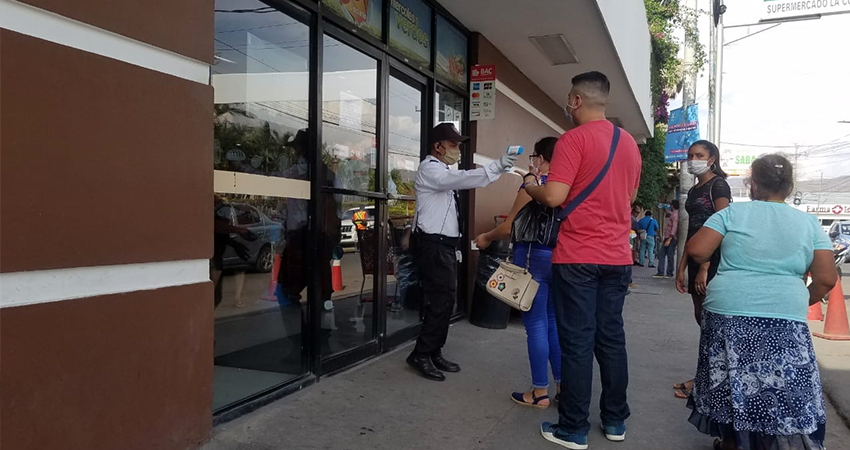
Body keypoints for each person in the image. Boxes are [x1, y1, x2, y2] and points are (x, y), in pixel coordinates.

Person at [684, 154, 836, 450]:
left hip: (729, 308)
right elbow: (827, 278)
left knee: (729, 379)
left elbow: (698, 250)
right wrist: (797, 298)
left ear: (753, 185)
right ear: (789, 187)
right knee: (782, 384)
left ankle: (731, 441)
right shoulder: (809, 223)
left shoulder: (732, 214)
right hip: (785, 312)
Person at [524, 71, 641, 448]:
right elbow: (629, 195)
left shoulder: (573, 139)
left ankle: (573, 428)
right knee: (611, 339)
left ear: (576, 100)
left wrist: (530, 186)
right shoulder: (629, 144)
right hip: (618, 256)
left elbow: (556, 197)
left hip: (577, 256)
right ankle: (615, 421)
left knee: (576, 341)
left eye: (567, 100)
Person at [406, 123, 517, 381]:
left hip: (443, 246)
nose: (457, 150)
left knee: (445, 300)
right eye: (454, 145)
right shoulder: (430, 169)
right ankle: (421, 354)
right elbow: (463, 179)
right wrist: (497, 165)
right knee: (440, 300)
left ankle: (433, 350)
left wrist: (496, 169)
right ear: (438, 146)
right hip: (433, 245)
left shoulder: (442, 170)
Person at [474, 137, 561, 409]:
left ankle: (539, 391)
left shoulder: (532, 187)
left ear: (543, 159)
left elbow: (510, 227)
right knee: (553, 324)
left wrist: (486, 237)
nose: (532, 161)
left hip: (532, 258)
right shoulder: (564, 188)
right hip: (559, 259)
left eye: (535, 156)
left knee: (535, 325)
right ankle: (563, 386)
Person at [673, 140, 731, 399]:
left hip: (712, 262)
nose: (692, 159)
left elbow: (722, 224)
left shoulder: (718, 185)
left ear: (712, 159)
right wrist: (682, 266)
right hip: (696, 260)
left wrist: (705, 266)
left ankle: (706, 383)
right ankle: (704, 379)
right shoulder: (696, 189)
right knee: (702, 322)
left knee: (711, 324)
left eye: (699, 155)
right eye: (690, 155)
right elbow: (693, 230)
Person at [654, 200, 679, 278]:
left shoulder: (675, 215)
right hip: (668, 237)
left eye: (670, 205)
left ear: (673, 206)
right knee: (662, 254)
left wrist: (670, 238)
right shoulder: (673, 214)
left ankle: (669, 272)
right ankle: (661, 272)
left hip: (670, 238)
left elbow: (674, 227)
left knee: (670, 255)